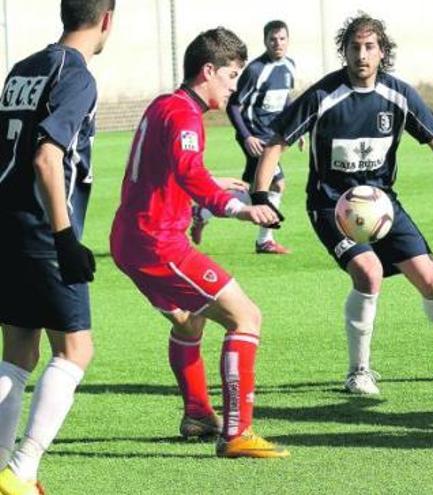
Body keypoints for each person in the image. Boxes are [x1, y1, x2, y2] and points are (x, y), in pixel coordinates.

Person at [252, 13, 433, 395]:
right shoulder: (323, 95)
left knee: (431, 280)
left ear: (383, 52)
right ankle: (359, 371)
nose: (361, 55)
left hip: (382, 205)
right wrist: (261, 195)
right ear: (344, 52)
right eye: (354, 47)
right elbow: (275, 144)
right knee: (368, 272)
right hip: (331, 205)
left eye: (369, 47)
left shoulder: (399, 94)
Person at [109, 27, 288, 459]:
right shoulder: (186, 115)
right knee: (246, 317)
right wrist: (236, 207)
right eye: (230, 75)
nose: (233, 86)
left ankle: (197, 415)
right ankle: (236, 433)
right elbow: (187, 172)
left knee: (189, 322)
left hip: (132, 237)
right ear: (208, 70)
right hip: (158, 242)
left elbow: (173, 168)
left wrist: (208, 182)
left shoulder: (165, 105)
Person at [0, 1, 114, 493]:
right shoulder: (78, 76)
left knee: (17, 351)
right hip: (43, 233)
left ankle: (3, 469)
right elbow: (49, 157)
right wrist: (65, 237)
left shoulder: (23, 68)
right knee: (75, 349)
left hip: (7, 227)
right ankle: (23, 470)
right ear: (106, 20)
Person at [191, 19, 300, 254]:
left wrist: (295, 127)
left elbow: (285, 100)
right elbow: (234, 105)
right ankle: (264, 240)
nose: (277, 43)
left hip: (273, 137)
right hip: (257, 138)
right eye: (272, 39)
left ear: (288, 40)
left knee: (254, 188)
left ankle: (204, 211)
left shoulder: (289, 66)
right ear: (265, 41)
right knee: (277, 184)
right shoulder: (256, 70)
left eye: (282, 38)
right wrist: (247, 136)